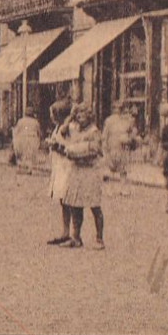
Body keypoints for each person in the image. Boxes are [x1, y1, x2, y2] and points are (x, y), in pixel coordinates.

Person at [59, 102, 106, 249]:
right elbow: (62, 131)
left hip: (89, 171)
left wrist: (77, 151)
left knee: (94, 206)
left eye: (82, 115)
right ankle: (76, 237)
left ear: (89, 116)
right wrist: (70, 117)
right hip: (76, 170)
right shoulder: (74, 129)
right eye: (78, 115)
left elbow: (96, 150)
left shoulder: (94, 131)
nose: (80, 118)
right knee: (75, 205)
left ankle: (99, 239)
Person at [43, 98, 74, 245]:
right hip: (58, 167)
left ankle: (72, 233)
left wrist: (56, 146)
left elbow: (70, 147)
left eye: (52, 113)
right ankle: (65, 231)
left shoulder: (68, 128)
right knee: (63, 200)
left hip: (66, 167)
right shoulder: (58, 127)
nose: (50, 116)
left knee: (68, 200)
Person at [101, 100, 140, 189]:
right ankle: (110, 188)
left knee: (123, 169)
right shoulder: (109, 121)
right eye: (116, 108)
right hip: (112, 146)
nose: (117, 110)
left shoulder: (126, 121)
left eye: (119, 108)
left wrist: (130, 138)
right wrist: (105, 147)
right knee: (111, 168)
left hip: (122, 147)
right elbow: (105, 135)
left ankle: (123, 188)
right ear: (113, 109)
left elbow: (133, 131)